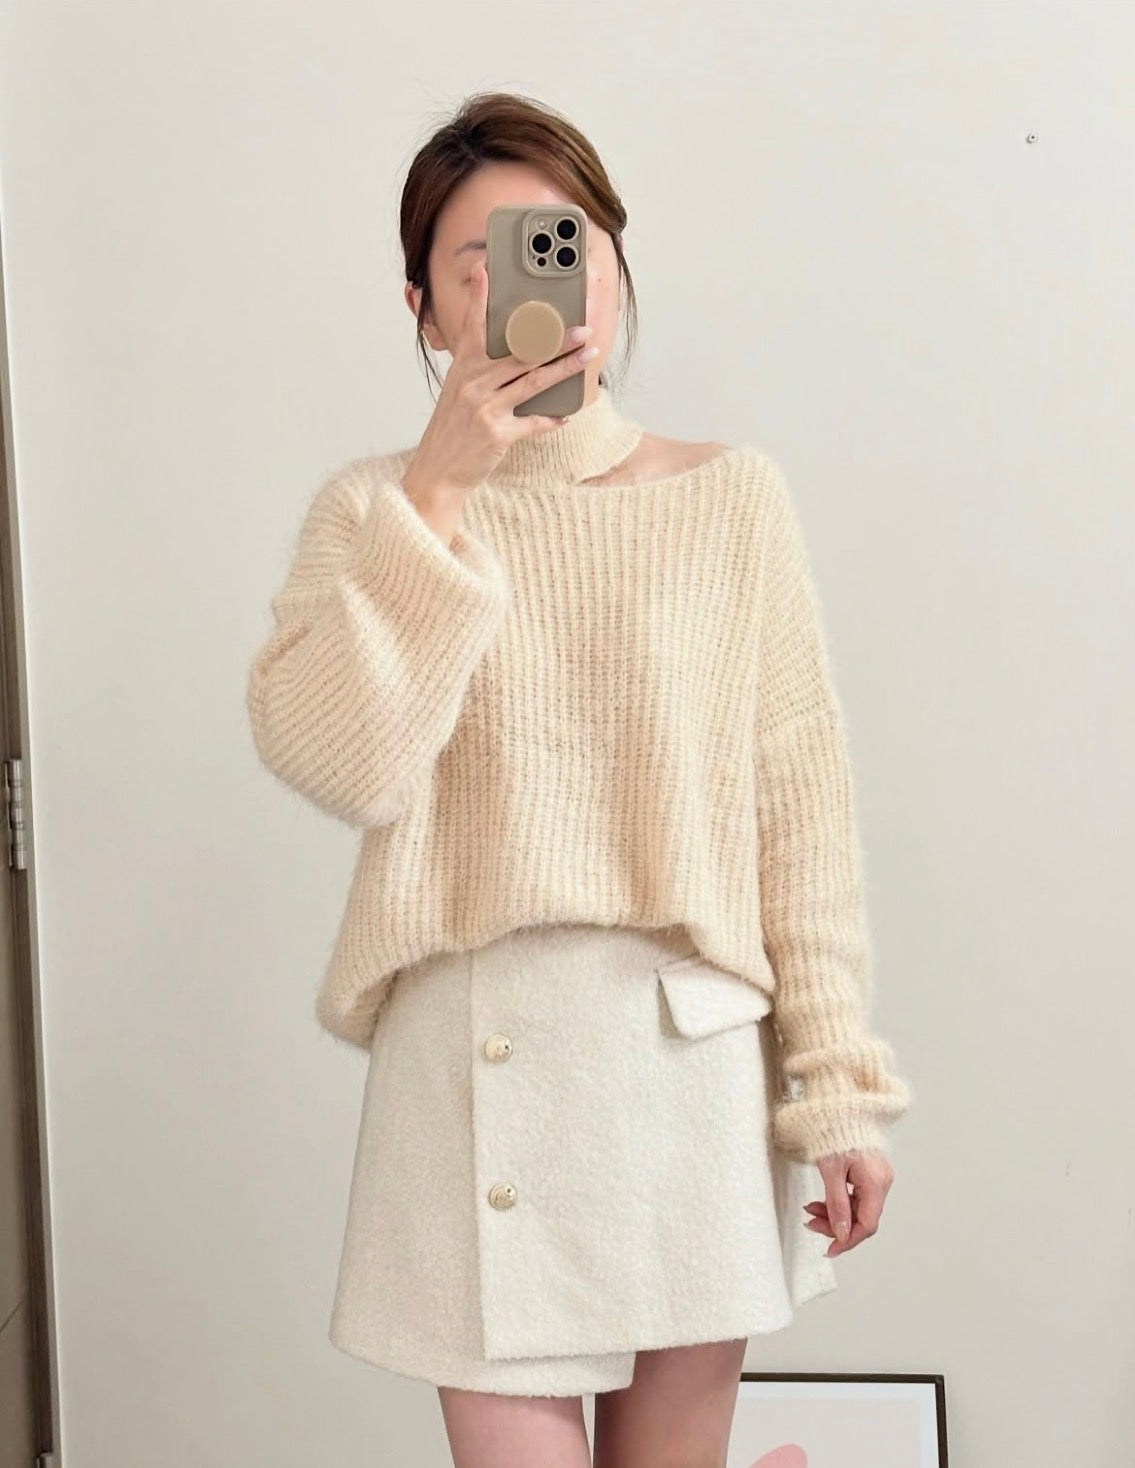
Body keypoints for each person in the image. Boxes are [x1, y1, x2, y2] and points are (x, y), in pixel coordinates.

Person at [246, 90, 913, 1468]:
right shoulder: (372, 513)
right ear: (426, 309)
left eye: (559, 245)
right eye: (475, 265)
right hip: (470, 1065)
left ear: (611, 269)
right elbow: (347, 762)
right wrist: (438, 500)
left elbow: (797, 811)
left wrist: (837, 1085)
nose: (524, 289)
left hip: (684, 1063)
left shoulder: (729, 499)